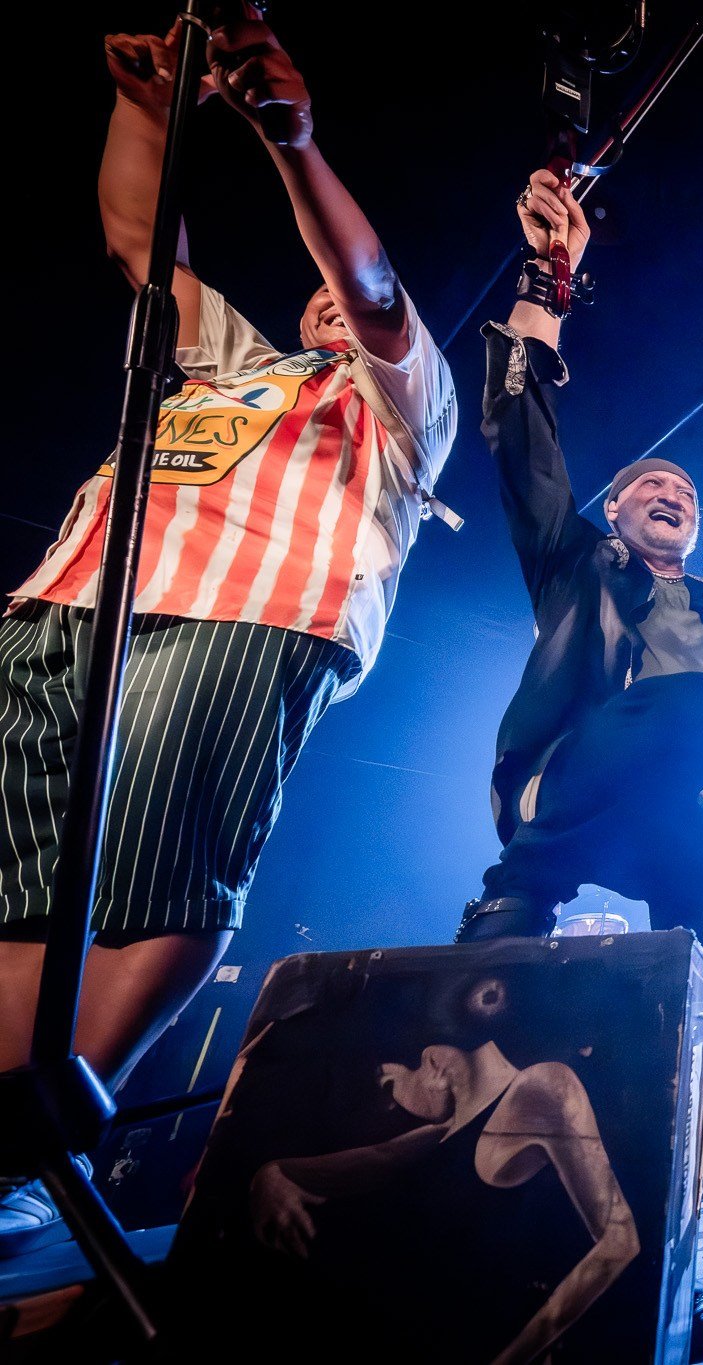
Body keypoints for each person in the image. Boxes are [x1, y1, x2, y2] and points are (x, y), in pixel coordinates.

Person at [1, 16, 455, 1252]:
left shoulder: (403, 408)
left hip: (252, 613)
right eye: (301, 284)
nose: (324, 292)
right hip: (75, 598)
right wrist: (150, 111)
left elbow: (368, 283)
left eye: (339, 287)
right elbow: (142, 244)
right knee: (23, 892)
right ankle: (4, 1136)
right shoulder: (230, 369)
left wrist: (289, 143)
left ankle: (46, 1133)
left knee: (160, 872)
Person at [452, 171, 703, 1147]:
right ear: (618, 513)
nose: (670, 489)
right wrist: (545, 285)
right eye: (648, 484)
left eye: (683, 489)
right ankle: (524, 883)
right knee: (702, 711)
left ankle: (693, 1173)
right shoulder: (575, 560)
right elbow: (523, 439)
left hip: (688, 818)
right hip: (581, 780)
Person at [247, 1034, 637, 1365]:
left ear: (431, 1059)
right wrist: (269, 1175)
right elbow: (379, 1157)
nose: (393, 1104)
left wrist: (516, 1356)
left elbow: (619, 1241)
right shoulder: (442, 1135)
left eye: (388, 1085)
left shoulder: (541, 1085)